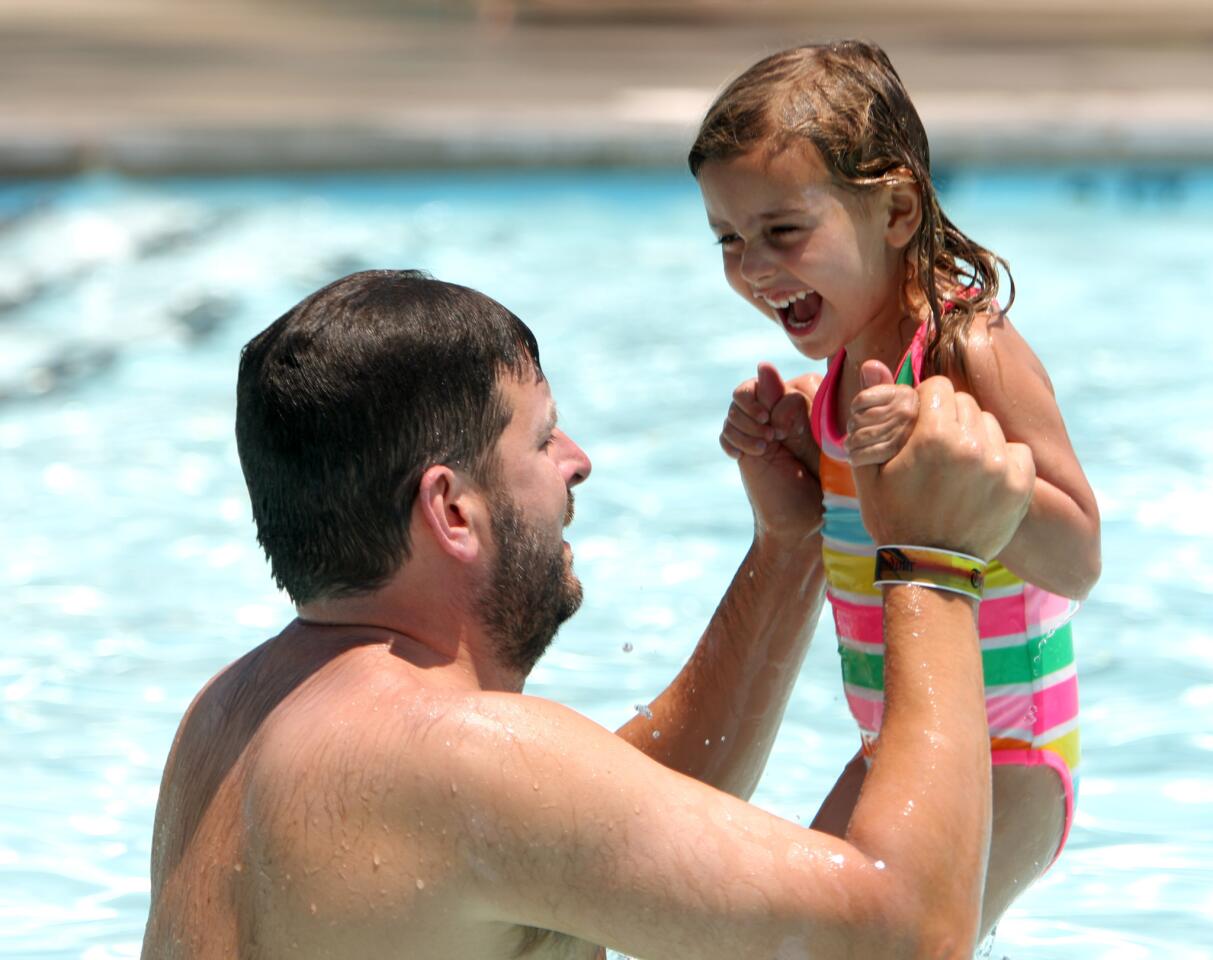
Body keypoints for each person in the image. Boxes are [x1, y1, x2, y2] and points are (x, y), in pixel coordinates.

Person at [142, 269, 1035, 960]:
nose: (576, 461)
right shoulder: (453, 760)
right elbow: (908, 938)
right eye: (539, 437)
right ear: (451, 510)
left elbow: (587, 827)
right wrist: (931, 562)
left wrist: (789, 548)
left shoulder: (228, 717)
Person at [690, 40, 1102, 936]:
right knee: (782, 944)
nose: (754, 267)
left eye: (782, 231)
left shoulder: (965, 350)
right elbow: (855, 519)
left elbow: (1076, 553)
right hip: (904, 743)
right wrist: (794, 454)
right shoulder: (838, 370)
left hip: (1009, 751)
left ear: (897, 210)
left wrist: (956, 462)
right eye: (729, 238)